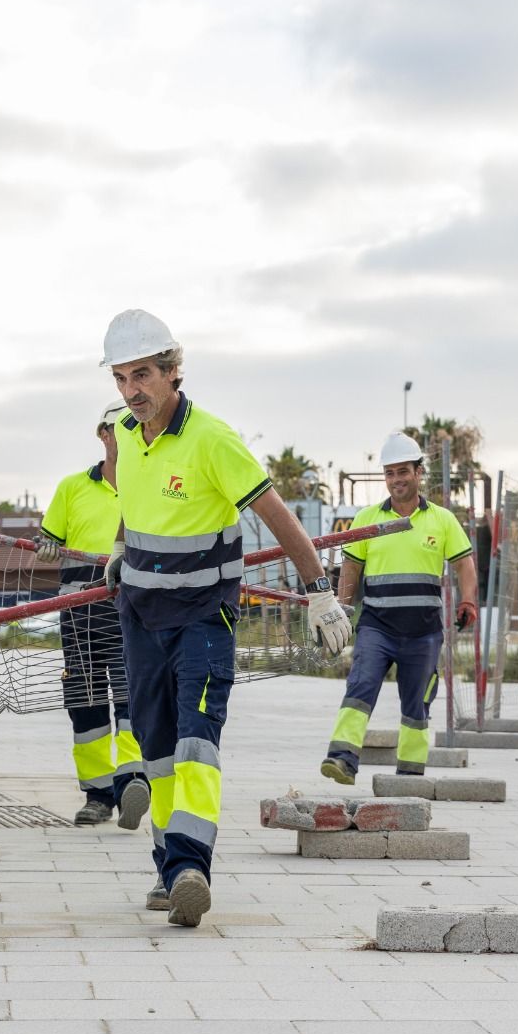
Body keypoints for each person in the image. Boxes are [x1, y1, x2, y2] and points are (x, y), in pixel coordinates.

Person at [101, 308, 351, 928]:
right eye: (122, 378)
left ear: (172, 372)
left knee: (195, 742)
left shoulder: (212, 438)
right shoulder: (125, 436)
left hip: (202, 619)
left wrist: (319, 591)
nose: (133, 391)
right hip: (140, 615)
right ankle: (167, 866)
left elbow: (276, 513)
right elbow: (132, 505)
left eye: (143, 376)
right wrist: (119, 548)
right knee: (155, 748)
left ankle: (190, 866)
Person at [320, 432, 479, 784]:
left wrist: (468, 600)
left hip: (423, 633)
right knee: (360, 685)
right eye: (390, 473)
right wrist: (340, 614)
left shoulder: (442, 520)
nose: (396, 479)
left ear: (418, 472)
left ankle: (409, 774)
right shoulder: (367, 520)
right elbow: (351, 571)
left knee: (417, 703)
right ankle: (342, 758)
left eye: (403, 471)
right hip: (377, 627)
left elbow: (465, 565)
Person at [35, 400, 148, 828]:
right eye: (118, 429)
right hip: (80, 615)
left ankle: (134, 780)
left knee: (132, 696)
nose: (126, 435)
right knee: (84, 704)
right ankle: (98, 795)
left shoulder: (150, 485)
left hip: (132, 609)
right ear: (103, 435)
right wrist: (45, 544)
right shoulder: (72, 488)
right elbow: (50, 539)